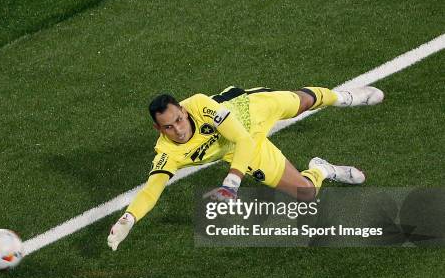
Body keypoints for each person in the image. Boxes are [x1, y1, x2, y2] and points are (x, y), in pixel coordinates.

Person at [107, 85, 384, 251]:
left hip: (251, 112)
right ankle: (323, 169)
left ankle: (343, 97)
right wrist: (128, 220)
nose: (178, 129)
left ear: (183, 109)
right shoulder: (167, 153)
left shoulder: (201, 105)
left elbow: (240, 136)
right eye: (168, 126)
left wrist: (232, 183)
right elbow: (151, 190)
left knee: (303, 102)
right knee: (307, 193)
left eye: (179, 119)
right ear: (158, 128)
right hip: (245, 151)